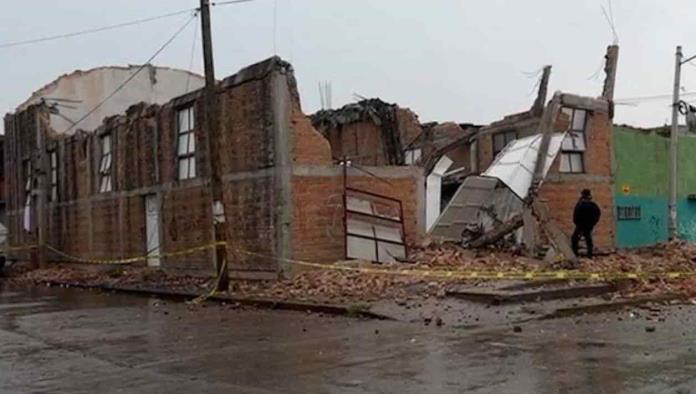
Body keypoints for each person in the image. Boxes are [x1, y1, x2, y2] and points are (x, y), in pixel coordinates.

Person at [572, 189, 601, 258]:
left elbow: (576, 214)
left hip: (580, 225)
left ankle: (575, 253)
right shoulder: (593, 204)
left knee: (575, 238)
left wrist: (576, 223)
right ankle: (589, 254)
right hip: (588, 225)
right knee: (588, 238)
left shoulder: (580, 204)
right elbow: (598, 214)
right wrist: (593, 223)